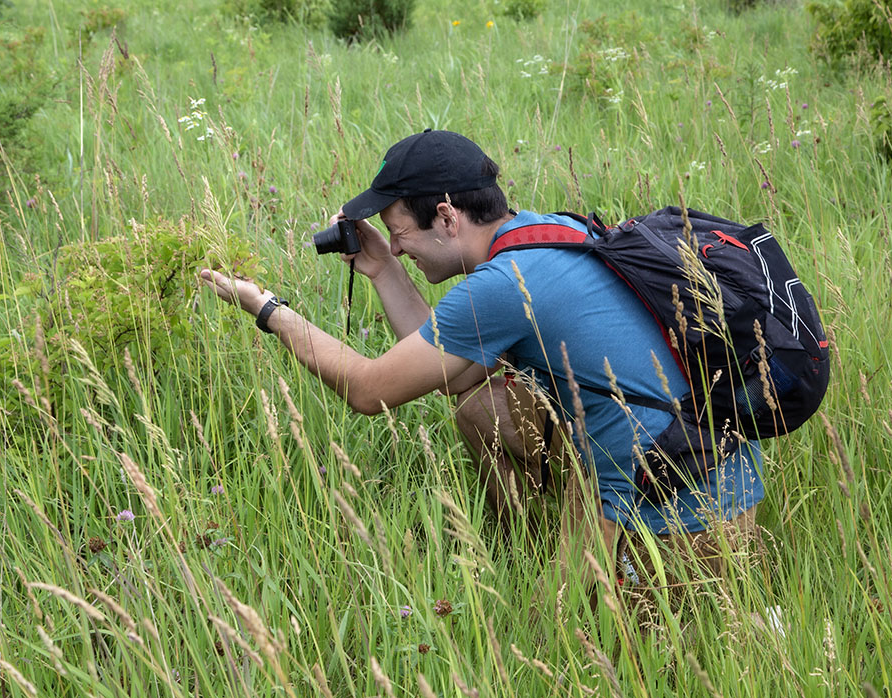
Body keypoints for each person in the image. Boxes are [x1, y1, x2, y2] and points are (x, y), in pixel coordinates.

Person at [200, 129, 762, 599]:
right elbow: (456, 375)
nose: (397, 248)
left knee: (558, 646)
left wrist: (268, 309)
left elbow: (369, 391)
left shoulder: (504, 285)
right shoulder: (555, 234)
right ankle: (535, 552)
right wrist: (381, 272)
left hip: (677, 511)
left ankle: (590, 580)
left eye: (399, 234)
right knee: (482, 404)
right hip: (705, 460)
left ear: (446, 216)